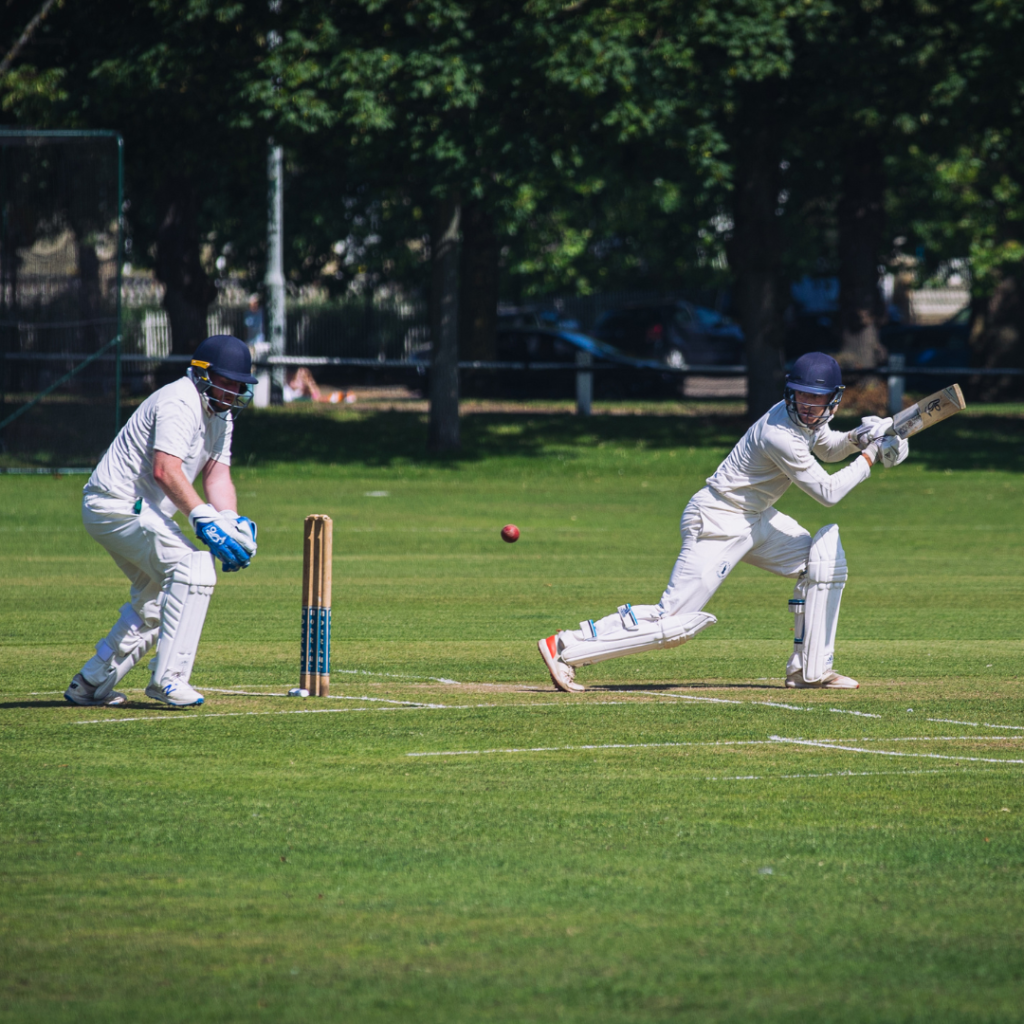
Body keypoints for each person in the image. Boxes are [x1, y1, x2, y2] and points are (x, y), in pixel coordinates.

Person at [538, 351, 909, 693]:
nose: (809, 407)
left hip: (756, 519)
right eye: (802, 397)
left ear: (833, 400)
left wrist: (859, 437)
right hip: (718, 519)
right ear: (790, 393)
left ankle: (808, 670)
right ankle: (566, 645)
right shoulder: (779, 434)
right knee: (674, 622)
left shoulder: (807, 421)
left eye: (817, 399)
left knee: (820, 564)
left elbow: (829, 447)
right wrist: (871, 455)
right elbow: (828, 493)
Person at [65, 335, 260, 709]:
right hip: (116, 503)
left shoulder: (219, 412)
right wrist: (205, 521)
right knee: (193, 568)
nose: (235, 390)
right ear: (203, 375)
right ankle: (168, 679)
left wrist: (231, 521)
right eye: (229, 381)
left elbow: (217, 476)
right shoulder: (179, 401)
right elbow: (165, 471)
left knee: (157, 602)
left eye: (240, 384)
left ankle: (90, 683)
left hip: (136, 510)